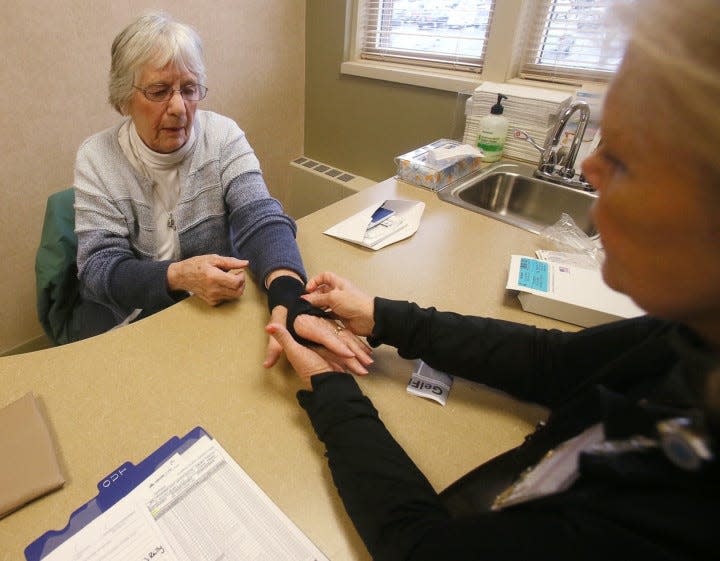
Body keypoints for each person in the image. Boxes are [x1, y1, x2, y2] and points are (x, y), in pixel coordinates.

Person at [266, 0, 720, 559]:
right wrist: (384, 315)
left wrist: (329, 387)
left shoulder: (670, 519)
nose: (588, 172)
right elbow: (554, 364)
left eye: (624, 160)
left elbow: (421, 546)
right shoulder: (689, 341)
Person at [72, 11, 370, 372]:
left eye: (189, 88)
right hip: (134, 324)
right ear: (123, 99)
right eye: (159, 91)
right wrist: (178, 277)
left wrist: (289, 298)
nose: (180, 108)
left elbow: (261, 219)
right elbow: (98, 268)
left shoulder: (223, 136)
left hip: (211, 315)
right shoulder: (97, 157)